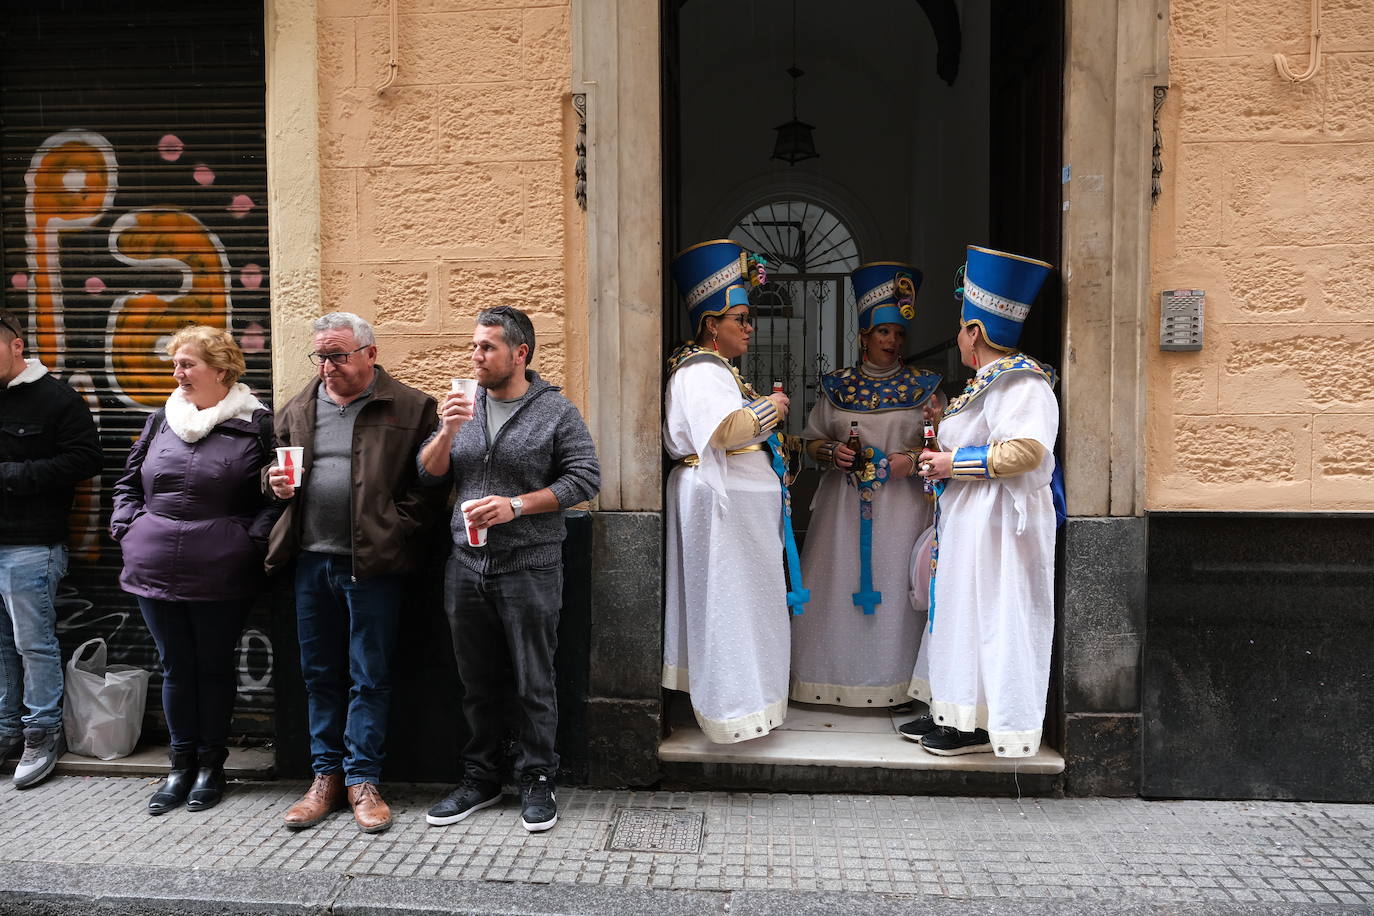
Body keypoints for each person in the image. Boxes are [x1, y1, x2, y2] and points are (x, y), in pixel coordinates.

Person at [418, 306, 599, 834]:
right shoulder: (462, 405)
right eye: (473, 346)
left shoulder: (555, 412)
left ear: (520, 353)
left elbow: (586, 479)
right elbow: (428, 476)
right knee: (476, 681)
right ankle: (480, 778)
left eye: (487, 347)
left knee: (533, 680)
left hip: (530, 566)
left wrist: (516, 505)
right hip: (465, 563)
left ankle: (537, 778)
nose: (476, 356)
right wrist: (448, 430)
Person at [265, 312, 441, 833]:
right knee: (320, 675)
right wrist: (271, 482)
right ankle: (326, 778)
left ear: (370, 353)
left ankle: (363, 780)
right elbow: (268, 470)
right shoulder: (298, 406)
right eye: (320, 356)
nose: (327, 367)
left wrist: (391, 528)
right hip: (310, 560)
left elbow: (430, 488)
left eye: (338, 355)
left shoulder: (410, 407)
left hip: (373, 565)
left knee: (369, 675)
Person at [111, 325, 279, 814]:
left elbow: (276, 496)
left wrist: (250, 540)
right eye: (175, 364)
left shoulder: (256, 425)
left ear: (222, 371)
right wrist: (128, 528)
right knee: (175, 667)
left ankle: (211, 766)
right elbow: (128, 484)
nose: (177, 374)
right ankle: (180, 765)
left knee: (211, 666)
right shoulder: (161, 420)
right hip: (153, 565)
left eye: (188, 364)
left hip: (221, 568)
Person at [904, 245, 1059, 757]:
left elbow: (1028, 450)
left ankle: (986, 724)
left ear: (975, 332)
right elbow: (985, 437)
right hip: (972, 522)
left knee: (993, 617)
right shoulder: (986, 383)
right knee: (963, 615)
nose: (957, 336)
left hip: (999, 528)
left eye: (961, 326)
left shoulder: (1023, 380)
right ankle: (957, 711)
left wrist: (952, 464)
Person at [662, 240, 805, 744]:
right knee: (731, 605)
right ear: (709, 323)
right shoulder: (702, 369)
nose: (749, 327)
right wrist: (774, 407)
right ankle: (734, 708)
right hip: (723, 511)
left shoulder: (715, 369)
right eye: (739, 318)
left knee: (745, 603)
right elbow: (723, 430)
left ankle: (750, 702)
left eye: (749, 318)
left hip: (736, 511)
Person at [791, 263, 941, 708]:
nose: (893, 341)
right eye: (883, 333)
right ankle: (826, 679)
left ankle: (898, 684)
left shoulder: (924, 388)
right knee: (835, 588)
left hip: (904, 508)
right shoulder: (836, 387)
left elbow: (944, 446)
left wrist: (909, 460)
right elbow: (808, 440)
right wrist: (830, 453)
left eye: (898, 333)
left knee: (900, 590)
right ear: (864, 335)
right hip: (842, 510)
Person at [0, 308, 102, 789]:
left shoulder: (56, 398)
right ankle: (5, 732)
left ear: (16, 344)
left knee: (33, 644)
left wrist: (15, 477)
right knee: (1, 646)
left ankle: (41, 732)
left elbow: (86, 459)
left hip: (31, 545)